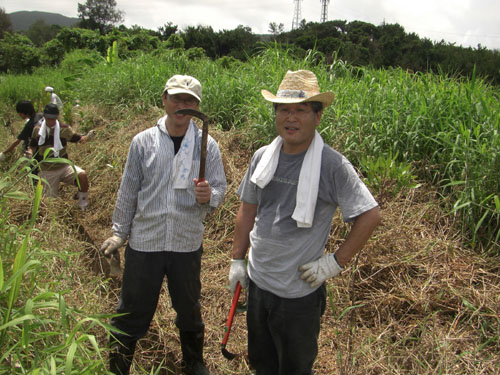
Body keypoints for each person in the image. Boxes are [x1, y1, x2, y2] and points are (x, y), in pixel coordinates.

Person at [228, 70, 381, 375]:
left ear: (318, 116)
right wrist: (236, 260)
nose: (291, 117)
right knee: (262, 364)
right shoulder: (263, 157)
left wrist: (335, 262)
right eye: (284, 109)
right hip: (258, 283)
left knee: (295, 368)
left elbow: (370, 215)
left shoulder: (332, 165)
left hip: (298, 296)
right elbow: (247, 210)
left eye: (301, 110)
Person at [100, 74, 227, 375]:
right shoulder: (143, 142)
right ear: (164, 100)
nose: (183, 105)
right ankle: (118, 367)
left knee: (188, 307)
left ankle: (194, 361)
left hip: (186, 241)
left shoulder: (208, 145)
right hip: (146, 241)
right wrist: (120, 233)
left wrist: (209, 195)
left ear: (197, 105)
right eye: (177, 98)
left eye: (190, 100)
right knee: (132, 309)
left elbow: (220, 189)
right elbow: (129, 188)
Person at [28, 103, 96, 210]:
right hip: (47, 170)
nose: (51, 121)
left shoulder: (64, 129)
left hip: (64, 166)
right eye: (49, 118)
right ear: (45, 117)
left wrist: (88, 137)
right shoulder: (38, 130)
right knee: (49, 205)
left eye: (54, 118)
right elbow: (32, 146)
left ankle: (83, 202)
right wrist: (29, 154)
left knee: (82, 175)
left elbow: (79, 139)